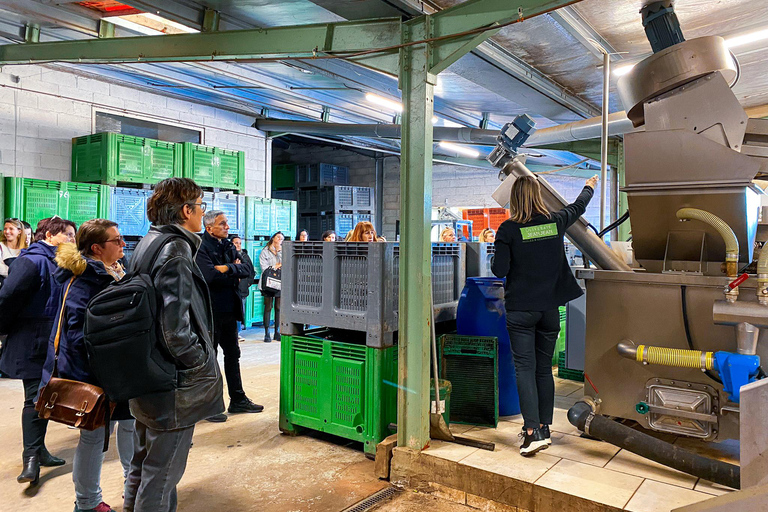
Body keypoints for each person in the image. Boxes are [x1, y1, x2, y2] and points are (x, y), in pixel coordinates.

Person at [123, 177, 224, 512]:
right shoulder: (176, 249)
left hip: (149, 373)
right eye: (200, 207)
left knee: (143, 465)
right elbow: (175, 329)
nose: (202, 213)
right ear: (186, 210)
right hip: (175, 387)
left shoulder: (149, 241)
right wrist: (201, 364)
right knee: (162, 474)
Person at [491, 173, 599, 456]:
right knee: (543, 370)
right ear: (538, 197)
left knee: (524, 370)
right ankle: (545, 427)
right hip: (550, 311)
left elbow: (499, 270)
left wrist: (499, 249)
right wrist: (588, 186)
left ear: (514, 200)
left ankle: (532, 432)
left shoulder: (508, 230)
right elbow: (578, 207)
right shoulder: (554, 222)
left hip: (521, 312)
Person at [39, 219, 134, 512]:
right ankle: (88, 502)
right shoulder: (84, 281)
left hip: (120, 371)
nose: (123, 245)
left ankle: (134, 485)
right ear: (96, 248)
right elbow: (78, 334)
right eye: (116, 241)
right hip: (94, 374)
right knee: (93, 437)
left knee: (130, 427)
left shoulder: (114, 272)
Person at [0, 216, 75, 484]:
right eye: (68, 235)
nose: (72, 241)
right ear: (49, 235)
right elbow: (7, 298)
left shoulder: (58, 261)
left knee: (44, 397)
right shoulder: (32, 261)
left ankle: (40, 450)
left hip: (48, 340)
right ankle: (30, 458)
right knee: (34, 398)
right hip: (31, 341)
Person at [196, 213, 261, 422]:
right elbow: (209, 276)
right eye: (222, 224)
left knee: (233, 355)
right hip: (210, 312)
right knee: (210, 359)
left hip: (229, 310)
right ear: (209, 228)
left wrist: (227, 267)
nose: (227, 226)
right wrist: (233, 270)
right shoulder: (200, 248)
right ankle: (210, 406)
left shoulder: (228, 245)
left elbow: (248, 269)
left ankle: (238, 399)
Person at [259, 232, 283, 343]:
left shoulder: (282, 251)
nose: (280, 240)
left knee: (278, 307)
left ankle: (277, 332)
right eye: (278, 237)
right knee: (268, 307)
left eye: (282, 239)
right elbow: (264, 268)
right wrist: (275, 266)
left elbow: (285, 263)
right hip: (267, 283)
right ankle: (267, 332)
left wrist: (279, 252)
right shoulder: (265, 251)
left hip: (279, 282)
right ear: (273, 238)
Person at [231, 235, 256, 337]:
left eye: (240, 243)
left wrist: (248, 283)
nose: (238, 245)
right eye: (236, 243)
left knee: (241, 310)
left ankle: (238, 332)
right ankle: (233, 333)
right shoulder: (228, 255)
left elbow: (251, 272)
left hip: (243, 288)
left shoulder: (245, 256)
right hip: (232, 288)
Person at [1, 218, 28, 283]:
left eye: (11, 229)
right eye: (5, 229)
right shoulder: (1, 247)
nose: (7, 232)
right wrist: (18, 275)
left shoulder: (26, 249)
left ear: (19, 231)